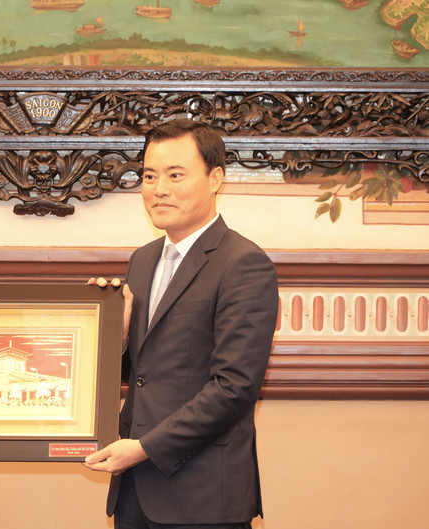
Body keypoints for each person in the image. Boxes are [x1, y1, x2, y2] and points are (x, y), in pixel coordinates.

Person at [84, 119, 279, 529]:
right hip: (135, 493)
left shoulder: (244, 263)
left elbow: (235, 388)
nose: (159, 189)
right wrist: (114, 340)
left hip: (203, 495)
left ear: (215, 179)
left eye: (176, 175)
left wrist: (144, 449)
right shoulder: (142, 260)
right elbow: (144, 372)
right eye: (150, 176)